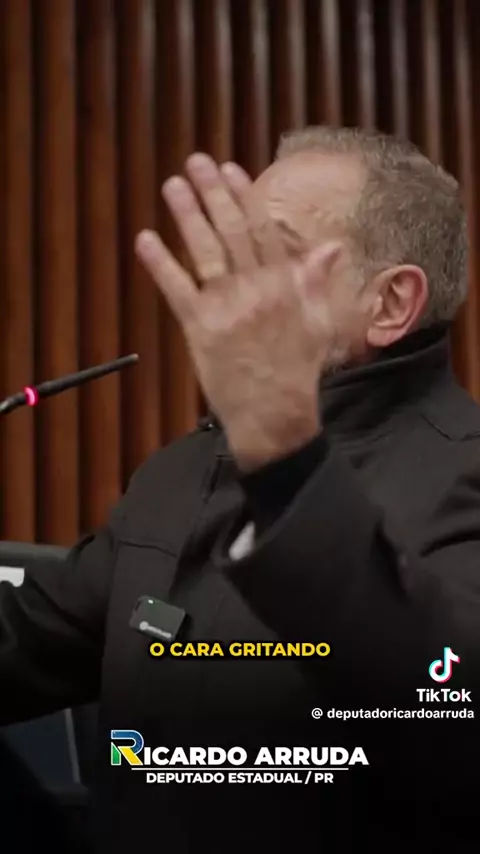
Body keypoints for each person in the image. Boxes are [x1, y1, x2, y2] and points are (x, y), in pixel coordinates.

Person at [1, 125, 479, 851]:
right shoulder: (180, 471)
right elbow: (31, 641)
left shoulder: (463, 478)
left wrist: (286, 463)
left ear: (389, 304)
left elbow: (440, 702)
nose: (227, 282)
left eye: (268, 253)